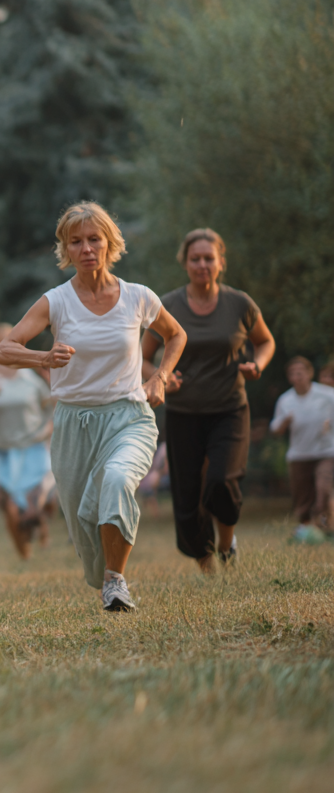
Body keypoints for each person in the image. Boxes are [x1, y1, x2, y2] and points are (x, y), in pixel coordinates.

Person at [0, 202, 185, 612]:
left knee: (117, 480)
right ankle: (104, 575)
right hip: (73, 425)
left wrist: (159, 377)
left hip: (128, 416)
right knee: (85, 532)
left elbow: (176, 335)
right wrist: (43, 358)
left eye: (94, 239)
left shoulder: (138, 297)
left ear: (109, 243)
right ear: (65, 248)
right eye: (76, 241)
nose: (86, 248)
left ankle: (117, 583)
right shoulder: (56, 302)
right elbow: (4, 349)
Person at [141, 228, 275, 572]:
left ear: (221, 263)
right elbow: (141, 357)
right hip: (184, 413)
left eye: (208, 258)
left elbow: (265, 342)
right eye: (195, 259)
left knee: (221, 481)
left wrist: (256, 365)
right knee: (186, 497)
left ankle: (227, 545)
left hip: (229, 410)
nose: (202, 264)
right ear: (185, 264)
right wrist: (160, 376)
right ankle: (208, 567)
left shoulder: (240, 303)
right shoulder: (168, 305)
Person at [0, 323, 56, 560]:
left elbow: (51, 403)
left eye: (4, 339)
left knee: (33, 504)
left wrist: (50, 426)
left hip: (33, 446)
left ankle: (39, 526)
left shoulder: (29, 376)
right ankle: (24, 553)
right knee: (9, 507)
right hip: (1, 450)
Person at [270, 357, 334, 541]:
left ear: (309, 373)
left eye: (300, 372)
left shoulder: (327, 395)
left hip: (326, 451)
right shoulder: (286, 399)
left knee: (323, 488)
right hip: (299, 454)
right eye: (292, 373)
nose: (296, 376)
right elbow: (275, 429)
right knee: (302, 495)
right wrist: (285, 422)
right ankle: (306, 529)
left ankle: (323, 525)